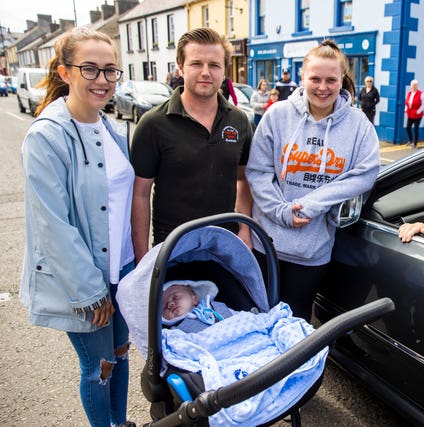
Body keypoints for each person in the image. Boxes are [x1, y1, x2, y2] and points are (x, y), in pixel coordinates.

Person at [20, 27, 136, 427]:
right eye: (90, 69)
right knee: (98, 367)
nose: (102, 80)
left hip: (121, 272)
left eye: (109, 71)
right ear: (65, 72)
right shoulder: (47, 136)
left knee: (121, 355)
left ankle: (120, 423)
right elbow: (52, 226)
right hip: (86, 283)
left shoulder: (112, 129)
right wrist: (90, 291)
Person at [246, 39, 380, 321]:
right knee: (258, 318)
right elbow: (258, 172)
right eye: (315, 78)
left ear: (341, 80)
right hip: (266, 244)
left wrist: (310, 205)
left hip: (313, 249)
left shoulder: (358, 125)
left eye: (331, 80)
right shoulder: (277, 115)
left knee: (296, 324)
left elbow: (365, 173)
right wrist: (281, 211)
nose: (323, 87)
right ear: (302, 78)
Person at [130, 27, 253, 263]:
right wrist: (142, 260)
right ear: (180, 66)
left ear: (224, 70)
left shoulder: (239, 121)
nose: (206, 72)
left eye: (214, 65)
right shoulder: (153, 123)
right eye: (196, 63)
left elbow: (243, 179)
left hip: (224, 248)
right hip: (172, 250)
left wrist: (244, 228)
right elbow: (140, 195)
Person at [161, 281, 234, 332]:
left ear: (195, 299)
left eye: (175, 297)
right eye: (164, 305)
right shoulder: (174, 332)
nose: (170, 304)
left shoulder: (215, 306)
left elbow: (240, 317)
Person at [404, 79, 424, 148]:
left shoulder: (421, 94)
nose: (414, 86)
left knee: (415, 129)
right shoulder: (409, 93)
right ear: (411, 86)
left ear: (417, 86)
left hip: (418, 115)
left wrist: (418, 111)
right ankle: (410, 140)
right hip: (410, 114)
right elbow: (406, 103)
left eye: (415, 85)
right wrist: (405, 110)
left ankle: (415, 143)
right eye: (413, 85)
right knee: (408, 127)